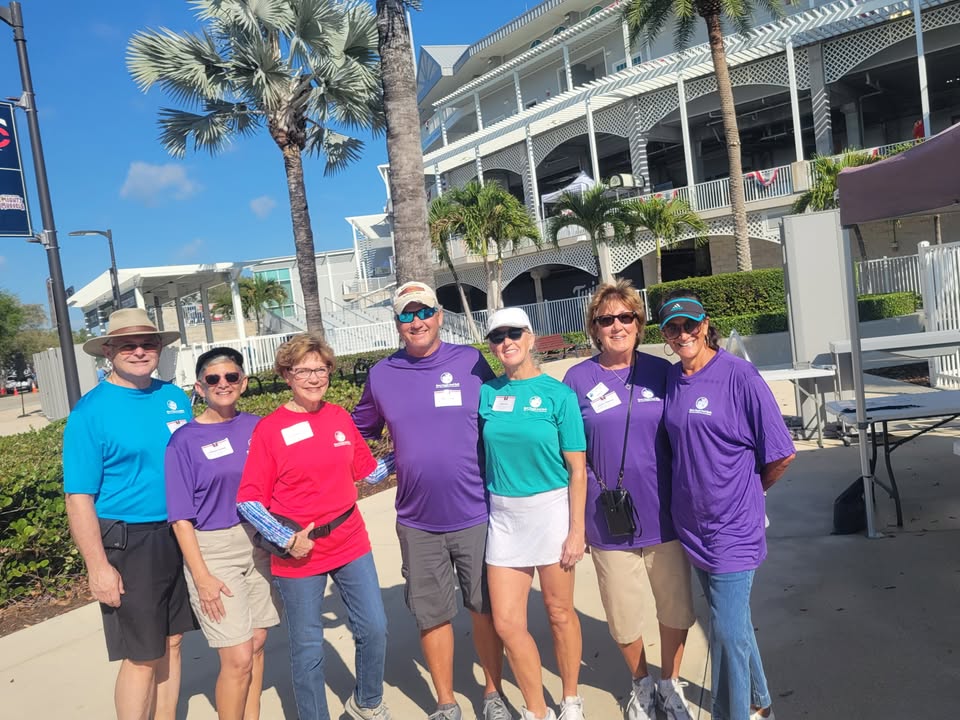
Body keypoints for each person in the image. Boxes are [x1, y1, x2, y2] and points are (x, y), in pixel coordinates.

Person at [352, 281, 512, 720]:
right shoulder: (382, 374)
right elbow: (355, 431)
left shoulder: (470, 361)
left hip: (475, 512)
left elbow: (503, 416)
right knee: (431, 614)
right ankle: (446, 702)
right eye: (406, 315)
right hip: (417, 520)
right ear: (398, 323)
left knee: (484, 608)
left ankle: (493, 694)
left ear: (440, 316)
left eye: (424, 312)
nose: (416, 321)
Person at [236, 333, 393, 720]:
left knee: (374, 628)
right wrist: (285, 539)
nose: (313, 377)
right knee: (307, 649)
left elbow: (369, 473)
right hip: (299, 553)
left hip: (350, 538)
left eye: (320, 369)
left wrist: (407, 454)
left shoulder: (338, 417)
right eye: (302, 370)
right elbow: (248, 499)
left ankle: (367, 703)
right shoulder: (270, 429)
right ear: (286, 375)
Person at [658, 291, 796, 720]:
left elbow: (781, 453)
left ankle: (730, 713)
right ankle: (761, 702)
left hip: (734, 526)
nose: (683, 334)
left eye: (690, 325)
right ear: (665, 334)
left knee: (726, 631)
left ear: (705, 324)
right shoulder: (672, 379)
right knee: (729, 623)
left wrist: (752, 492)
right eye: (673, 328)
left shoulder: (740, 377)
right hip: (692, 526)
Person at [562, 280, 696, 720]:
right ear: (594, 328)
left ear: (640, 324)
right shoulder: (577, 380)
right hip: (608, 519)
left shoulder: (663, 371)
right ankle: (640, 683)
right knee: (622, 613)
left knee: (675, 606)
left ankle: (668, 683)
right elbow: (571, 456)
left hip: (665, 513)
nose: (617, 326)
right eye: (607, 319)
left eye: (626, 317)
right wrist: (575, 526)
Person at [63, 308, 197, 720]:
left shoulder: (172, 397)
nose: (139, 351)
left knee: (173, 641)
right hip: (129, 542)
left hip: (178, 533)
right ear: (109, 351)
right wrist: (97, 566)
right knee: (142, 654)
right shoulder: (90, 412)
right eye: (127, 344)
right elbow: (78, 498)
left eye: (148, 343)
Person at [478, 308, 588, 720]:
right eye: (496, 337)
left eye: (512, 334)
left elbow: (578, 470)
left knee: (559, 613)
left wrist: (576, 530)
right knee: (506, 623)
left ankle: (571, 699)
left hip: (551, 511)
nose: (505, 342)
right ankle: (537, 710)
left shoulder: (558, 395)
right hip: (504, 517)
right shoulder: (487, 393)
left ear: (530, 337)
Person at [165, 347, 280, 720]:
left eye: (231, 377)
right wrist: (202, 576)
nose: (223, 384)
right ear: (199, 388)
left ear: (243, 382)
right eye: (213, 379)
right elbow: (180, 518)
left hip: (258, 543)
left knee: (258, 642)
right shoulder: (184, 440)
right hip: (213, 550)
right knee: (237, 655)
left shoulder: (259, 427)